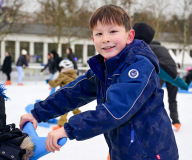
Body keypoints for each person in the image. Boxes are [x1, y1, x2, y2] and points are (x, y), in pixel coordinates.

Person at [20, 4, 178, 159]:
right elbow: (74, 92)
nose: (106, 39)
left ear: (129, 36)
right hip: (124, 151)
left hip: (151, 154)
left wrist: (68, 129)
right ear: (93, 39)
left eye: (113, 31)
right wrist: (37, 113)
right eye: (99, 34)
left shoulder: (138, 66)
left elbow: (115, 110)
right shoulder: (107, 67)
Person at [133, 22, 183, 131]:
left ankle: (151, 121)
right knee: (172, 98)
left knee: (153, 95)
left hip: (161, 69)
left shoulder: (148, 46)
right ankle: (176, 121)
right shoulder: (164, 49)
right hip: (172, 71)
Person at [47, 59, 81, 130]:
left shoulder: (62, 75)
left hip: (67, 96)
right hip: (75, 95)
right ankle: (81, 121)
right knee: (75, 109)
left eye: (61, 68)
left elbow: (55, 83)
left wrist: (49, 81)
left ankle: (61, 125)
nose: (61, 69)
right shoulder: (74, 73)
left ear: (64, 68)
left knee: (64, 110)